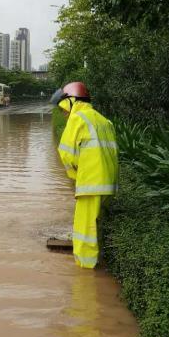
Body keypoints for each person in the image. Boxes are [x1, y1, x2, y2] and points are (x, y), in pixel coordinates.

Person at [51, 82, 118, 269]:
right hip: (108, 185)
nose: (64, 114)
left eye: (64, 108)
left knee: (84, 230)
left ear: (72, 101)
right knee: (98, 224)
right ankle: (99, 259)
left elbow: (66, 153)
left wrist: (74, 176)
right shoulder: (103, 120)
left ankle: (85, 272)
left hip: (90, 184)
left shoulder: (77, 119)